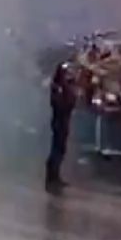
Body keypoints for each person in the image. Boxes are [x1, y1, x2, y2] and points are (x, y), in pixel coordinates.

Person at [46, 62, 75, 190]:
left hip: (64, 120)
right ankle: (51, 175)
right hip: (59, 121)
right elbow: (58, 104)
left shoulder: (67, 87)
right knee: (56, 149)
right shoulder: (57, 87)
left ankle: (56, 175)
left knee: (61, 149)